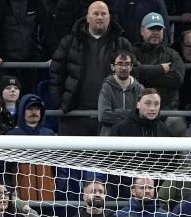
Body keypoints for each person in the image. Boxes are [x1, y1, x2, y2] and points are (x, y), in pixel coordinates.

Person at [49, 0, 133, 136]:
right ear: (87, 18)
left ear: (109, 17)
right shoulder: (69, 42)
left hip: (111, 118)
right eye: (95, 13)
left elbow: (135, 76)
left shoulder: (122, 44)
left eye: (103, 14)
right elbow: (56, 73)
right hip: (75, 116)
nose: (100, 17)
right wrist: (61, 103)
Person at [132, 12, 185, 111]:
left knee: (176, 122)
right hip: (138, 108)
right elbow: (132, 72)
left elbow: (177, 79)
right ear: (142, 31)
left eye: (159, 29)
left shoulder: (172, 54)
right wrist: (160, 69)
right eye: (151, 29)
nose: (155, 32)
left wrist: (144, 74)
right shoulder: (133, 52)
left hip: (167, 108)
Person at [97, 50, 144, 136]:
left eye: (127, 64)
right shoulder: (107, 87)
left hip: (133, 138)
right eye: (120, 63)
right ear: (112, 67)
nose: (123, 67)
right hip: (109, 137)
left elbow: (142, 115)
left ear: (131, 67)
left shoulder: (139, 88)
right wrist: (131, 115)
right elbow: (103, 116)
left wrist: (117, 111)